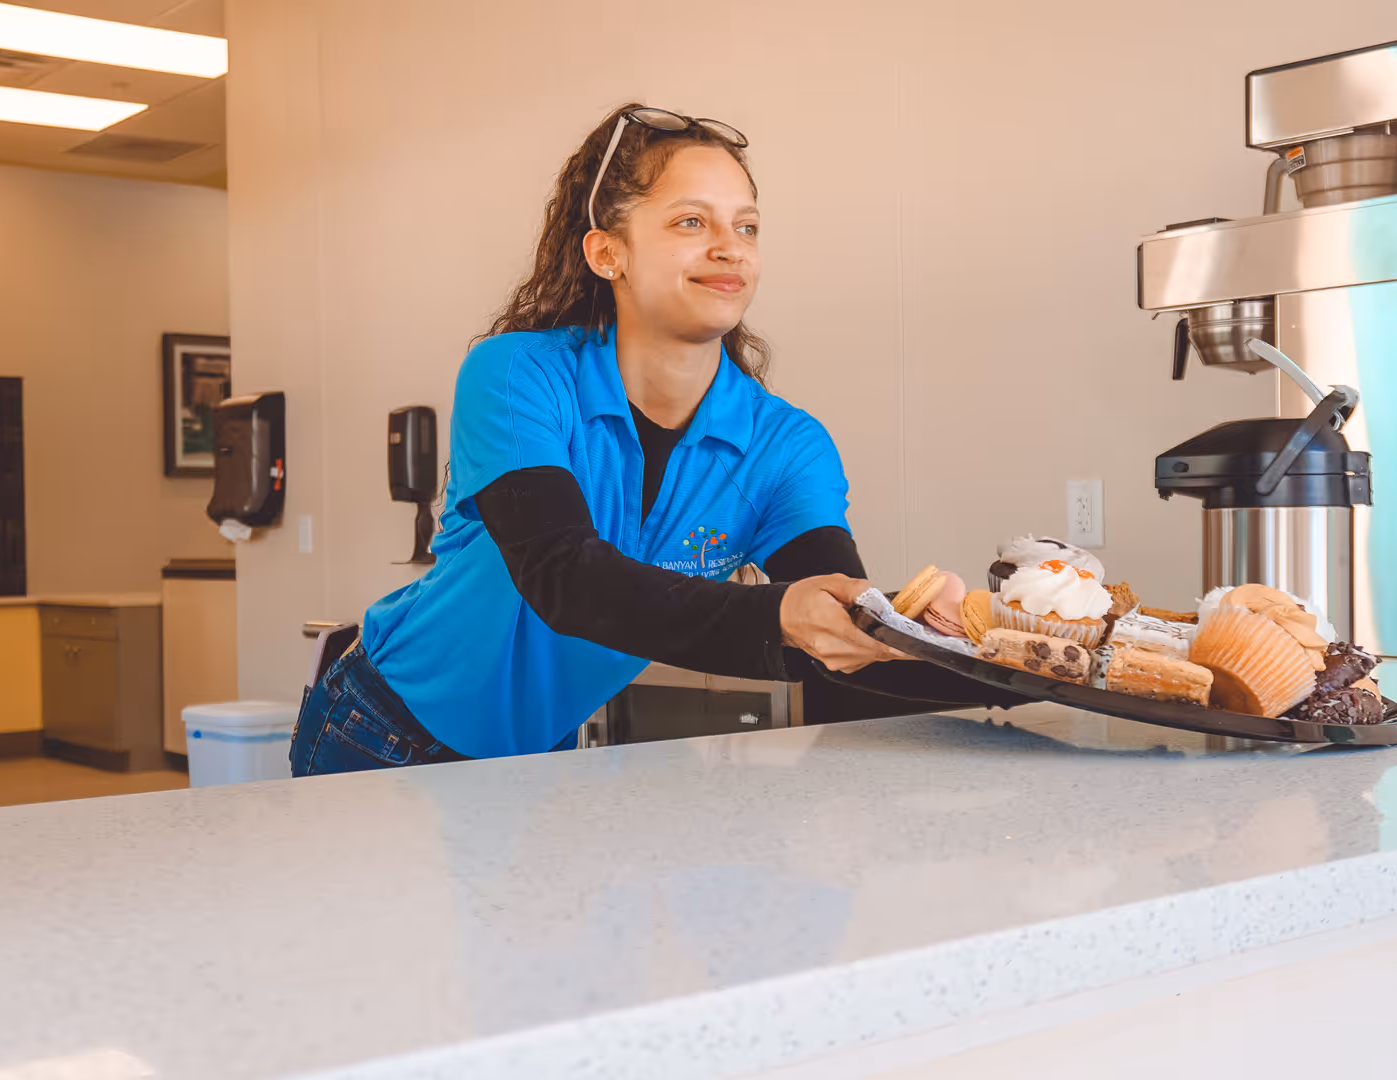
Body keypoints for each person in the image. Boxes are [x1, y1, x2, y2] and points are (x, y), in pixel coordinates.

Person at [291, 104, 1016, 777]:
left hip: (534, 757)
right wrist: (782, 615)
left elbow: (831, 629)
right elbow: (564, 578)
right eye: (692, 223)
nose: (731, 249)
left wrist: (1025, 657)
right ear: (610, 255)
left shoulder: (785, 446)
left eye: (748, 227)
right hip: (379, 727)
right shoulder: (517, 375)